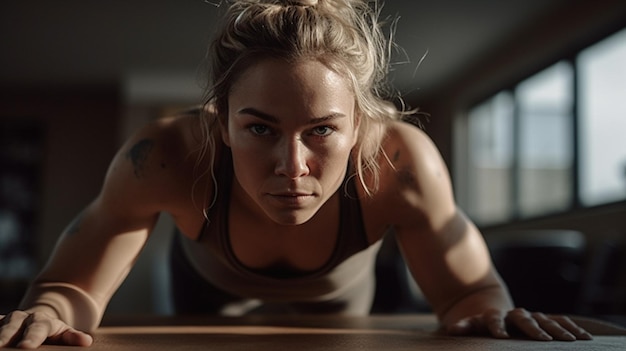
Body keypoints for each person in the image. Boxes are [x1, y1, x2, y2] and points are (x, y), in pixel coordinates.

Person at [0, 0, 592, 348]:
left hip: (348, 314)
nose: (292, 166)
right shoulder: (166, 155)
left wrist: (490, 317)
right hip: (205, 304)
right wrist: (49, 315)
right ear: (222, 121)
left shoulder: (401, 163)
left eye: (322, 131)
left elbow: (469, 294)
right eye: (260, 129)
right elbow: (71, 289)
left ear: (360, 126)